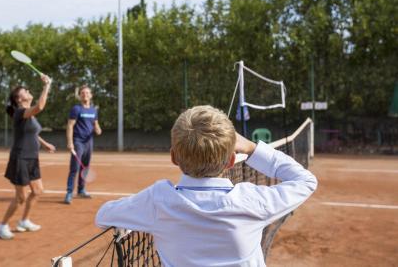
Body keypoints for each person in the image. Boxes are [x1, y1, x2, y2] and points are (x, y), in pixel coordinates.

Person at [95, 105, 317, 266]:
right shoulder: (252, 201)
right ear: (231, 161)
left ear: (174, 157)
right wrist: (251, 148)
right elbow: (305, 181)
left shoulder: (157, 201)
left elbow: (103, 216)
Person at [0, 74, 56, 240]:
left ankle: (24, 221)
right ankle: (1, 226)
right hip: (20, 158)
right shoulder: (19, 112)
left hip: (32, 157)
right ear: (18, 99)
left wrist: (44, 144)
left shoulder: (29, 115)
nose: (28, 91)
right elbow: (40, 106)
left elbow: (32, 132)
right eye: (25, 91)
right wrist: (47, 85)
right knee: (20, 197)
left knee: (37, 191)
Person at [64, 85, 102, 204]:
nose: (85, 94)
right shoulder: (76, 109)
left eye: (87, 93)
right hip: (78, 142)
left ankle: (81, 190)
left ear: (91, 95)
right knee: (74, 168)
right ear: (80, 96)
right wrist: (70, 142)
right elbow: (70, 126)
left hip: (89, 142)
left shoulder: (93, 110)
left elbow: (96, 125)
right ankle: (69, 192)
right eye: (82, 93)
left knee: (85, 167)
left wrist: (98, 129)